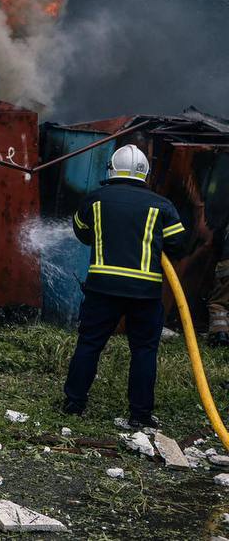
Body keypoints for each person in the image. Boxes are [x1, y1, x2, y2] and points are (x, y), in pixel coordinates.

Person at [62, 144, 187, 427]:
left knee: (90, 343)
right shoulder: (162, 205)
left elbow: (82, 232)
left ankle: (74, 402)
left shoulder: (95, 200)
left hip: (102, 288)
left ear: (112, 169)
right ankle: (140, 415)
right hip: (144, 292)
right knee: (144, 351)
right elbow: (178, 243)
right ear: (145, 173)